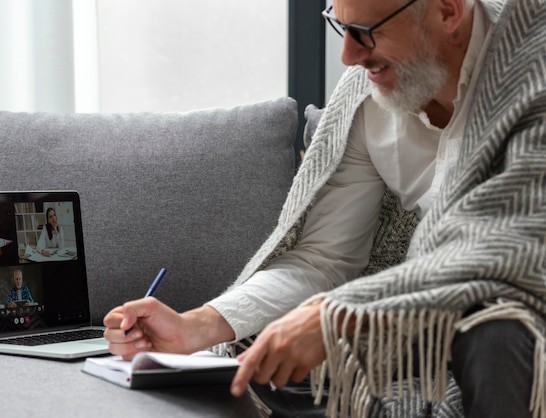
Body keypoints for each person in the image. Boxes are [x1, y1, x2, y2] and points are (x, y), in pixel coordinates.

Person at [104, 0, 546, 416]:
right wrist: (196, 327)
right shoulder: (368, 92)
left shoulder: (533, 61)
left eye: (365, 32)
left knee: (496, 330)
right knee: (260, 357)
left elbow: (511, 249)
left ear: (447, 10)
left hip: (518, 312)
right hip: (417, 317)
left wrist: (339, 314)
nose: (348, 57)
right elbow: (324, 258)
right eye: (339, 24)